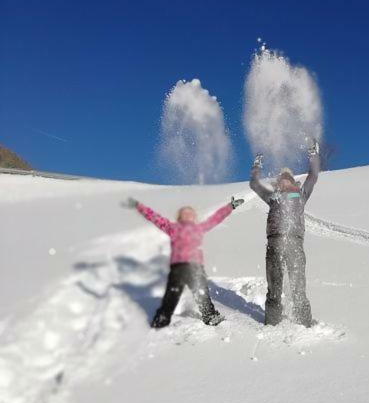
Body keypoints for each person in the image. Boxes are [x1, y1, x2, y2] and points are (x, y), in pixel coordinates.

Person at [121, 196, 244, 328]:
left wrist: (230, 206)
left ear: (194, 217)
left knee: (201, 291)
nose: (187, 214)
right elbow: (154, 217)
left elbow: (216, 218)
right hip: (178, 267)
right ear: (179, 217)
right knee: (172, 294)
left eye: (190, 212)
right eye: (184, 212)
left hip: (195, 266)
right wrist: (138, 206)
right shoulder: (172, 227)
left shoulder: (200, 228)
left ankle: (210, 315)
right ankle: (162, 318)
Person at [249, 140, 320, 327]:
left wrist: (313, 155)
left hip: (295, 243)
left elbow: (313, 176)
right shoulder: (273, 196)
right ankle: (272, 324)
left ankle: (305, 323)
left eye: (287, 177)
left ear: (292, 180)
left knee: (298, 287)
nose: (283, 180)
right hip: (274, 243)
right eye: (281, 178)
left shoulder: (301, 193)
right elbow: (254, 184)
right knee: (274, 288)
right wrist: (256, 165)